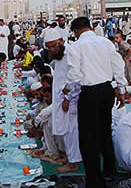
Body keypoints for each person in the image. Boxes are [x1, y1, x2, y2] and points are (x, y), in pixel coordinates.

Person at [64, 17, 126, 187]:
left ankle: (94, 179)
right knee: (105, 131)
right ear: (91, 27)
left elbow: (74, 76)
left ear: (75, 32)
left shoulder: (75, 46)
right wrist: (121, 89)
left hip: (89, 93)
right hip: (107, 91)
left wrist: (69, 92)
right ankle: (109, 171)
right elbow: (118, 66)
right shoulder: (106, 43)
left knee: (88, 138)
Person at [44, 28, 81, 172]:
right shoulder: (58, 56)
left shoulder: (70, 53)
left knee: (71, 132)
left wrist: (68, 97)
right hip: (61, 99)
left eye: (54, 46)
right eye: (49, 47)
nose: (52, 49)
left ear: (61, 41)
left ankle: (73, 163)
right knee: (64, 130)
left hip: (70, 100)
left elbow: (76, 78)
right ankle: (69, 157)